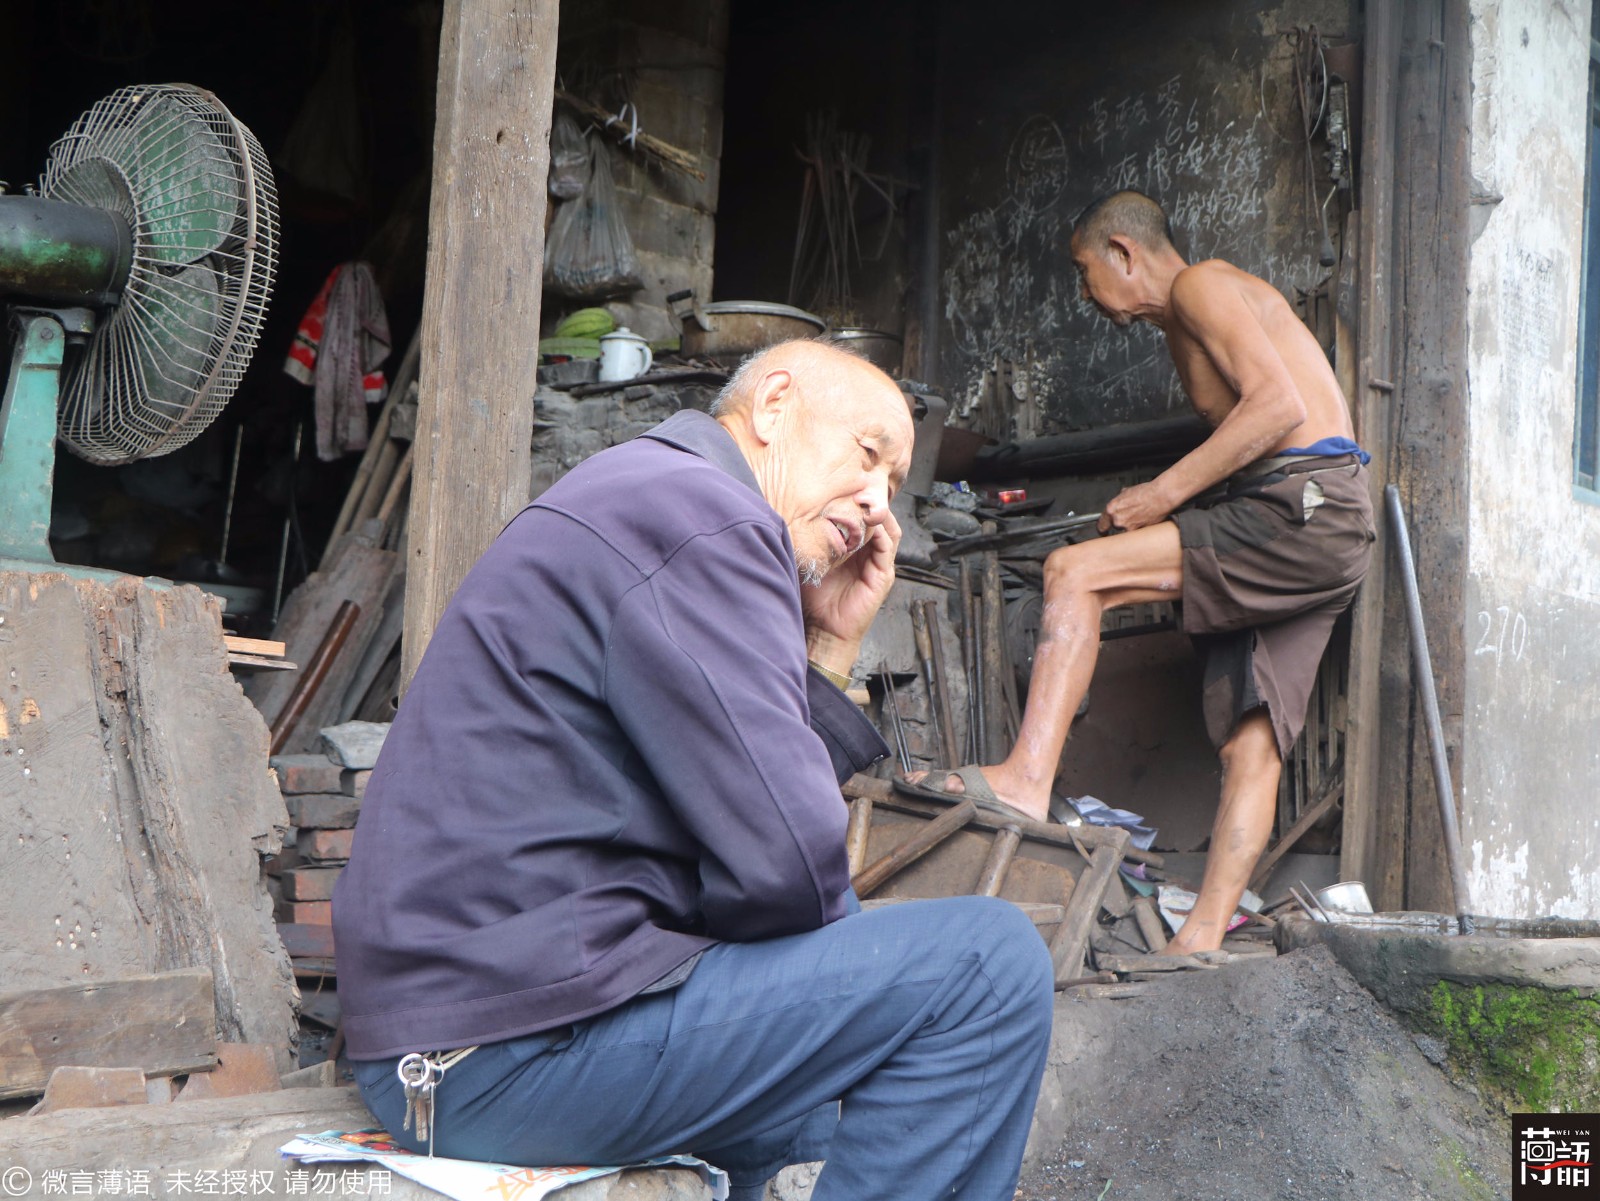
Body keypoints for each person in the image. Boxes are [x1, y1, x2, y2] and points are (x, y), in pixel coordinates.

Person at [332, 340, 1055, 1201]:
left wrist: (825, 645)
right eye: (867, 457)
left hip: (478, 1036)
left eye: (893, 487)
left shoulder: (653, 496)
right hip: (495, 1050)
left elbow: (760, 820)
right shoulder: (701, 513)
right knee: (987, 968)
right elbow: (788, 857)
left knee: (817, 1104)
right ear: (773, 404)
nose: (875, 503)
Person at [904, 190, 1375, 954]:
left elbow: (1278, 409)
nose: (1088, 295)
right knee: (1252, 742)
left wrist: (1160, 495)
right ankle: (1201, 937)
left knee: (1072, 571)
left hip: (1301, 504)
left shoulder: (1200, 285)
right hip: (1332, 525)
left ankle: (1026, 779)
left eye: (1086, 272)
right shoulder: (1191, 315)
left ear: (1123, 252)